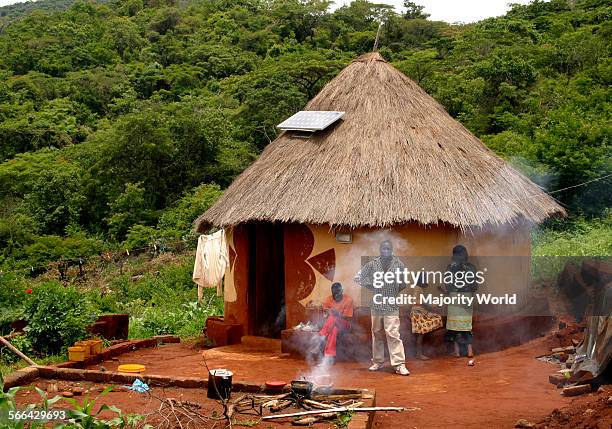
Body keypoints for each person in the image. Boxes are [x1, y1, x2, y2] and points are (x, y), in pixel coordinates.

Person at [355, 240, 410, 376]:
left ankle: (399, 364)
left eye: (388, 248)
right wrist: (372, 285)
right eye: (383, 248)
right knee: (377, 333)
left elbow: (404, 283)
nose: (386, 251)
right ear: (380, 250)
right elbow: (358, 277)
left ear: (392, 250)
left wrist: (393, 290)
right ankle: (378, 361)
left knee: (393, 333)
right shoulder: (373, 264)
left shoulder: (399, 265)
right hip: (377, 304)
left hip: (391, 304)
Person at [442, 245, 478, 358]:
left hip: (454, 299)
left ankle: (457, 352)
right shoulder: (472, 267)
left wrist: (456, 290)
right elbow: (475, 286)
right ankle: (469, 351)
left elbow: (448, 286)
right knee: (466, 326)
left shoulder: (450, 267)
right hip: (466, 298)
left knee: (455, 326)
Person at [317, 282, 353, 366]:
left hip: (345, 324)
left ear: (341, 291)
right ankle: (329, 357)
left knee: (333, 317)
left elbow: (348, 318)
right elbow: (325, 315)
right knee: (334, 330)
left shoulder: (348, 300)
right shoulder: (328, 299)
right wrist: (328, 312)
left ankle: (321, 336)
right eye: (334, 295)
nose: (336, 296)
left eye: (338, 294)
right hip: (332, 326)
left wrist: (337, 314)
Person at [409, 282, 443, 360]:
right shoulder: (418, 289)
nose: (427, 282)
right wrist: (434, 307)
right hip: (418, 313)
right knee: (420, 333)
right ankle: (419, 354)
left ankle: (419, 354)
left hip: (418, 312)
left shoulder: (418, 288)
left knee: (421, 333)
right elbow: (423, 302)